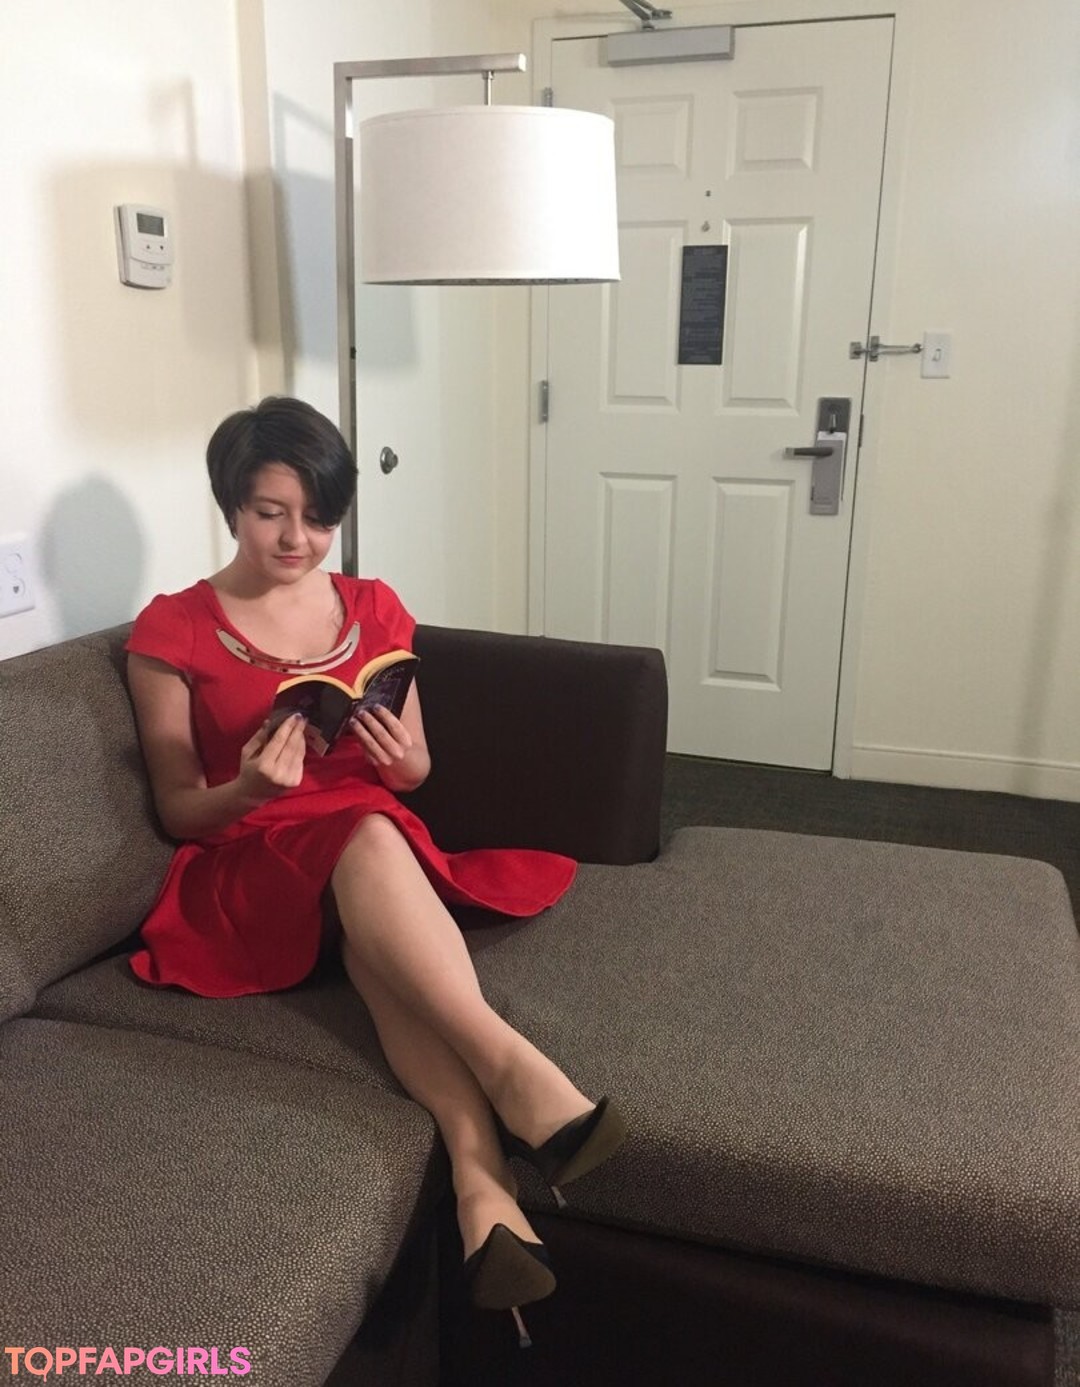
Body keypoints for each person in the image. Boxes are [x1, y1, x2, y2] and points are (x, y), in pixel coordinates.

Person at [125, 396, 626, 1329]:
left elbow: (416, 768)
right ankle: (516, 1069)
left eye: (319, 517)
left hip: (367, 861)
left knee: (372, 898)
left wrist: (402, 763)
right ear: (230, 503)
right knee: (363, 834)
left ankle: (481, 1184)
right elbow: (177, 807)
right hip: (248, 864)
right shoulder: (173, 629)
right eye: (271, 512)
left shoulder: (373, 607)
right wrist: (248, 788)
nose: (298, 539)